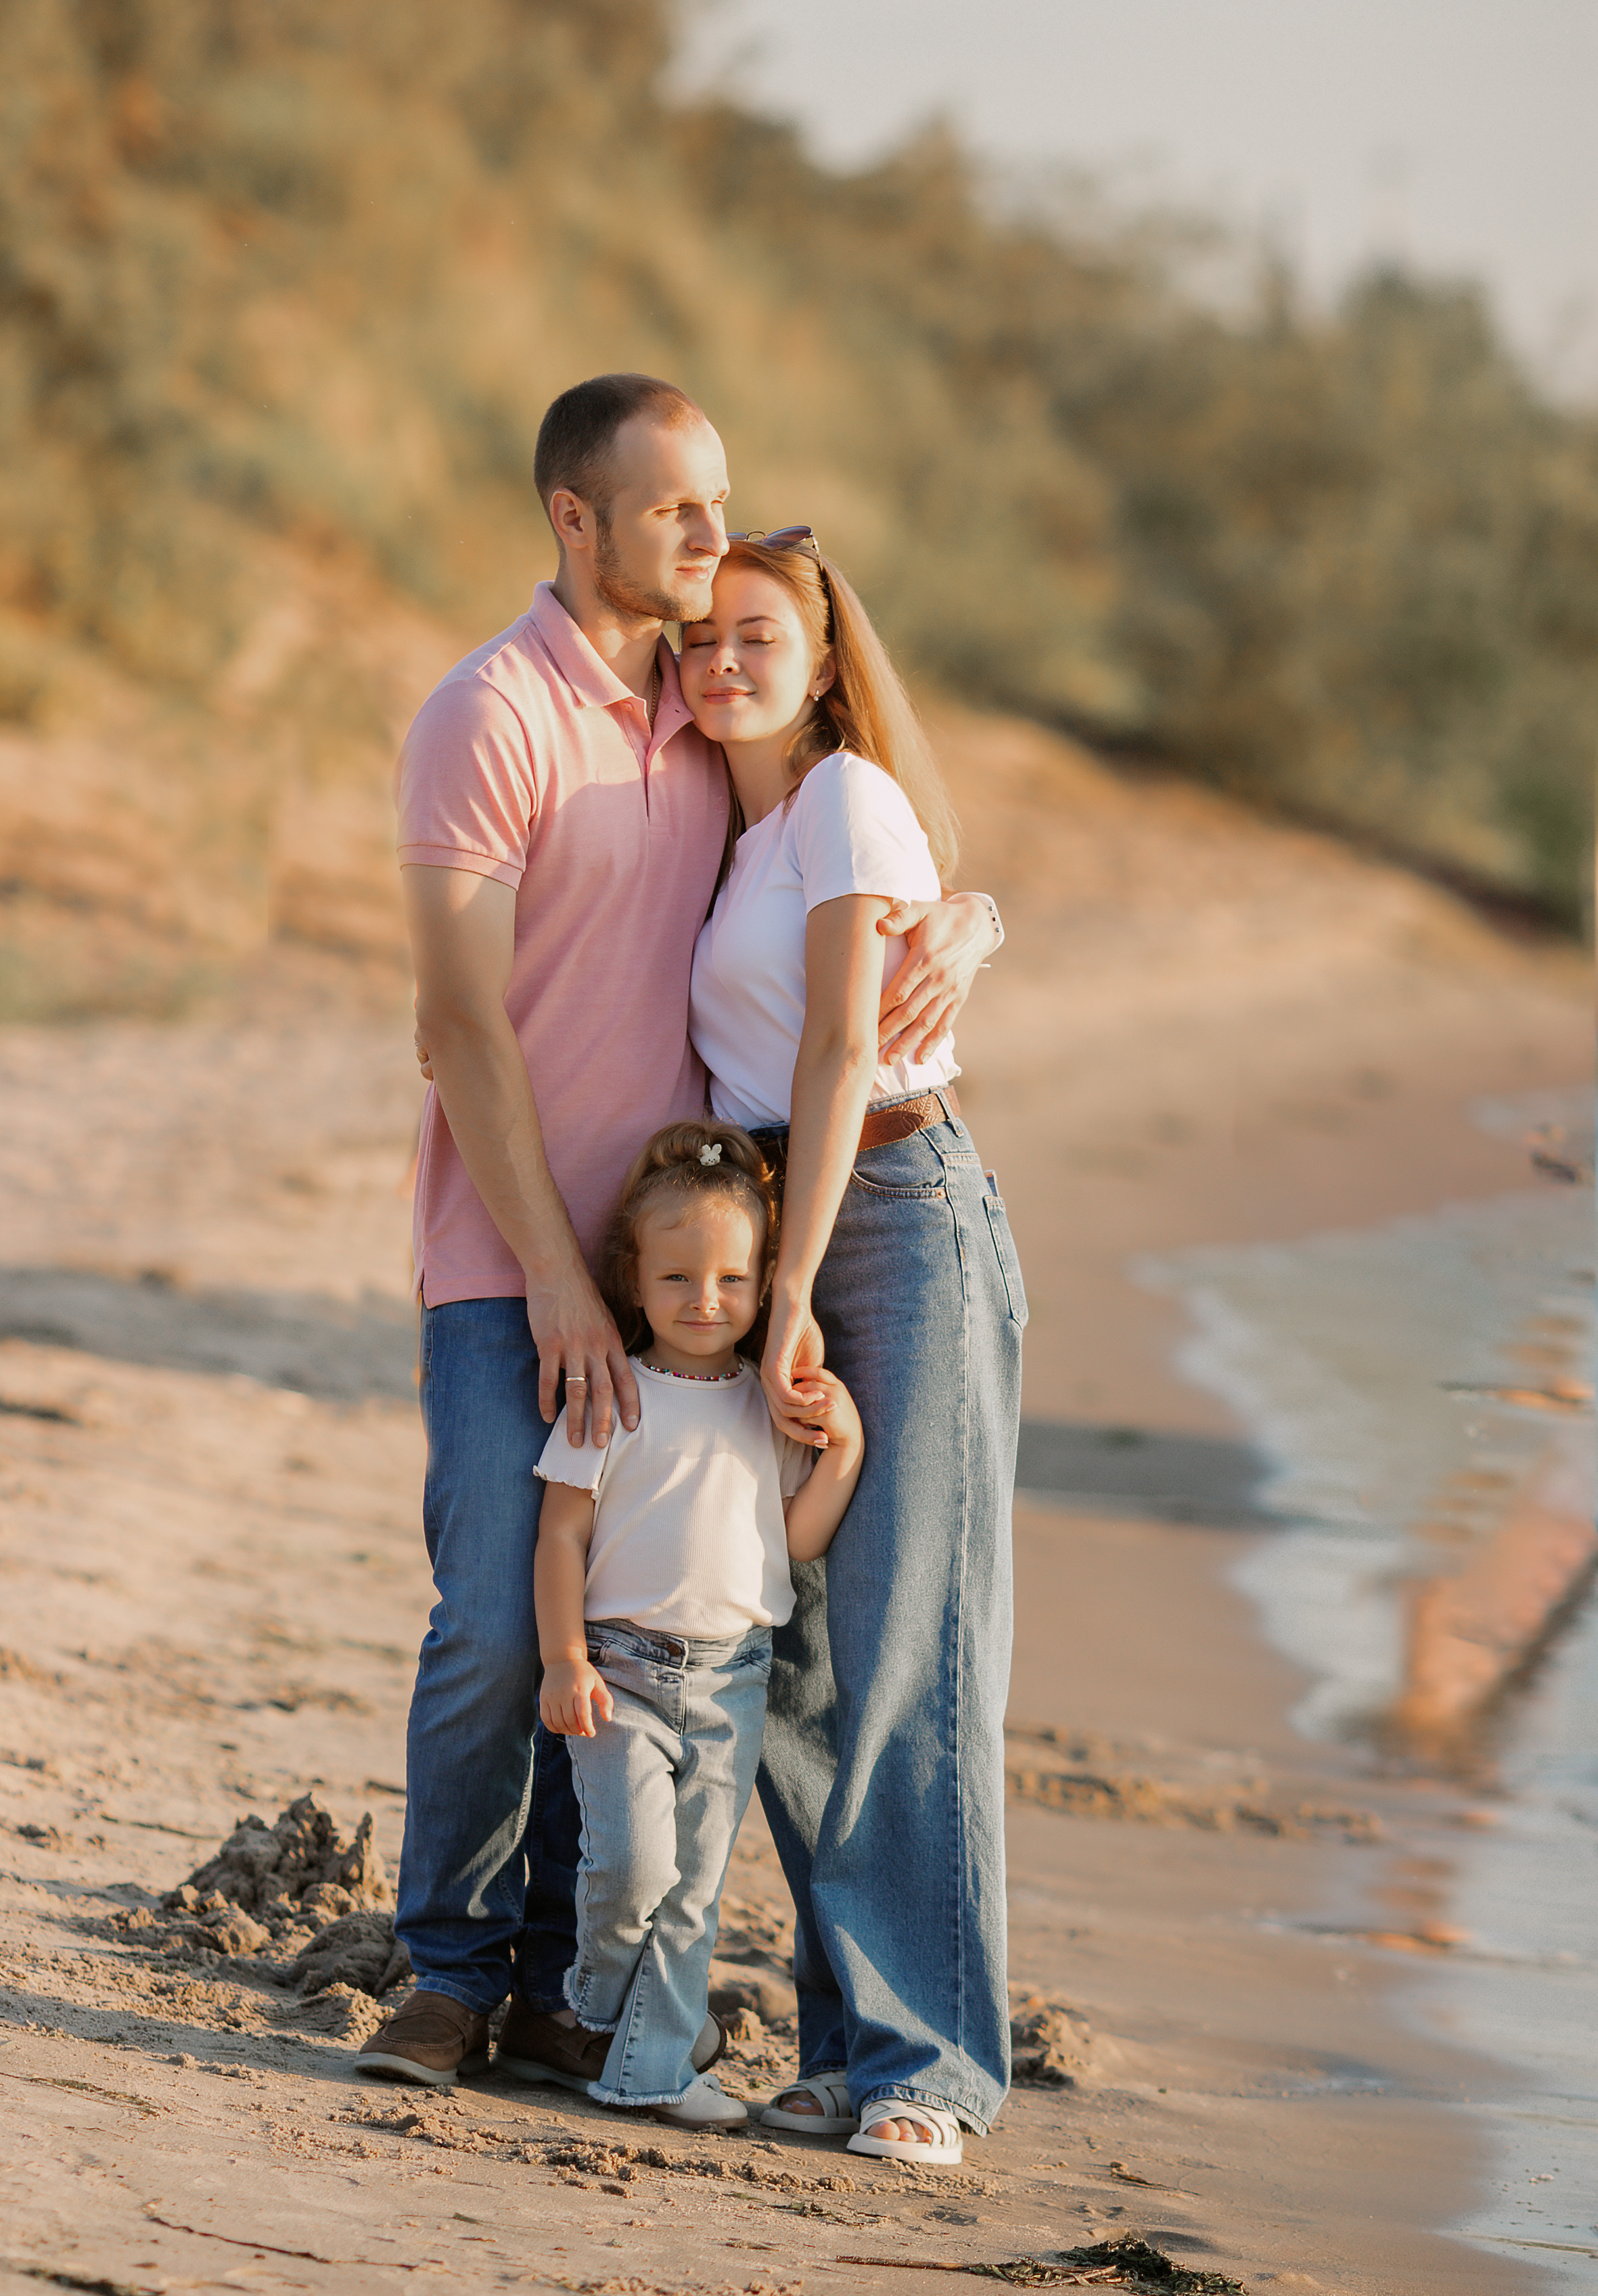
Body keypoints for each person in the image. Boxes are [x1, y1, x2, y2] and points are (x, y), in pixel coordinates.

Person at [356, 375, 1002, 2088]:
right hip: (520, 1263)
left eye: (719, 510)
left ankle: (580, 1991)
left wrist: (970, 919)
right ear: (574, 518)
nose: (710, 542)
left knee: (674, 1621)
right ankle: (444, 1971)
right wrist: (563, 1287)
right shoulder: (486, 717)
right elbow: (462, 1025)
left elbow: (858, 822)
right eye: (676, 513)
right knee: (507, 1614)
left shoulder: (701, 703)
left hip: (688, 1281)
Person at [677, 528, 1026, 2171]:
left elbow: (832, 1046)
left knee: (907, 1642)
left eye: (758, 634)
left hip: (890, 1215)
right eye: (703, 637)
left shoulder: (836, 801)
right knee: (798, 1649)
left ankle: (936, 2064)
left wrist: (793, 1284)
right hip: (788, 1224)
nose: (723, 659)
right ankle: (842, 2041)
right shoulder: (740, 835)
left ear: (821, 663)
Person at [529, 1122, 861, 2126]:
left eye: (731, 1279)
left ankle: (649, 2073)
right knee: (633, 1869)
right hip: (620, 1672)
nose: (705, 1301)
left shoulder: (769, 1410)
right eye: (678, 1279)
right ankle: (590, 2005)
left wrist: (839, 1448)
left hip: (734, 1677)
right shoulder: (614, 1397)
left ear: (765, 1285)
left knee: (694, 1894)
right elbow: (558, 1537)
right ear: (634, 1282)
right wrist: (562, 1660)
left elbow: (800, 1542)